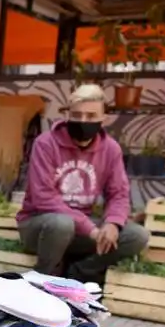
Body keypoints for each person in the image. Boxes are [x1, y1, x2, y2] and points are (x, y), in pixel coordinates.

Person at [16, 84, 149, 283]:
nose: (83, 121)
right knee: (61, 223)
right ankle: (42, 278)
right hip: (40, 226)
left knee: (136, 236)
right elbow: (43, 197)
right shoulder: (46, 143)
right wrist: (92, 230)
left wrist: (113, 223)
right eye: (76, 115)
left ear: (104, 119)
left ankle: (79, 273)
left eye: (90, 116)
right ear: (67, 114)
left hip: (82, 229)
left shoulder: (111, 149)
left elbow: (119, 194)